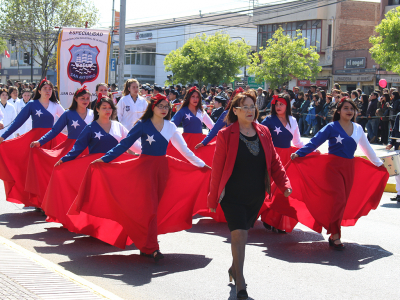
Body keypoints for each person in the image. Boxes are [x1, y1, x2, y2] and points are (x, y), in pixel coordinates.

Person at [69, 94, 211, 261]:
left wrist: (202, 165)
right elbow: (124, 144)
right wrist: (105, 159)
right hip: (144, 170)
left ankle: (146, 244)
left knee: (155, 209)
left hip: (163, 171)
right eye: (161, 106)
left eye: (166, 106)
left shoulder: (170, 126)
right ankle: (151, 247)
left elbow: (185, 151)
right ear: (153, 107)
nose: (164, 109)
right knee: (149, 208)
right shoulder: (143, 125)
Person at [269, 99, 388, 250]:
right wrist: (300, 153)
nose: (349, 111)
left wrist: (380, 165)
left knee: (342, 202)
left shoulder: (358, 128)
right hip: (332, 170)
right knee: (339, 199)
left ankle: (333, 232)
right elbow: (314, 142)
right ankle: (335, 235)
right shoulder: (331, 127)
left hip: (349, 170)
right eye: (345, 108)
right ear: (339, 111)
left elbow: (368, 149)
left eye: (352, 108)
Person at [208, 91, 291, 299]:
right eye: (244, 107)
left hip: (255, 194)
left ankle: (234, 267)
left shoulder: (264, 132)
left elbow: (274, 162)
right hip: (232, 194)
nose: (249, 110)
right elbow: (217, 170)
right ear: (235, 111)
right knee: (239, 234)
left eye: (252, 106)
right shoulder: (225, 134)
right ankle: (241, 281)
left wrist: (284, 184)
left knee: (242, 234)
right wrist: (212, 199)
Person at [41, 95, 141, 248]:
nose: (107, 110)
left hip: (115, 169)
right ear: (97, 109)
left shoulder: (118, 126)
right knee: (99, 200)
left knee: (118, 199)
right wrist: (65, 160)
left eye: (110, 108)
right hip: (97, 169)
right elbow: (78, 148)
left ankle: (117, 230)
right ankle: (98, 229)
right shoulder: (90, 127)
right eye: (104, 108)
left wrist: (148, 152)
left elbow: (132, 144)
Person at [0, 78, 65, 206]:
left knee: (50, 171)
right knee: (36, 172)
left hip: (51, 140)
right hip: (35, 142)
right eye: (45, 89)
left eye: (50, 89)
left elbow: (67, 120)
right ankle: (39, 201)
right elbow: (18, 121)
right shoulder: (32, 104)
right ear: (39, 90)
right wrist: (4, 136)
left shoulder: (56, 105)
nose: (48, 91)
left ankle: (47, 200)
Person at [25, 86, 94, 206]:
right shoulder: (68, 113)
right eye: (82, 98)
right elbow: (55, 130)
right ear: (76, 99)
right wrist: (40, 142)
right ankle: (61, 204)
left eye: (88, 98)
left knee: (86, 178)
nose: (85, 100)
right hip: (71, 149)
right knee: (67, 176)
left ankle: (84, 205)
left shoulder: (94, 114)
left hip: (89, 150)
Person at [260, 94, 306, 233]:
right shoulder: (268, 120)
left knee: (283, 191)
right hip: (271, 159)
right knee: (269, 189)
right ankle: (267, 217)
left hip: (287, 159)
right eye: (276, 104)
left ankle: (280, 221)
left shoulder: (293, 120)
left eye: (282, 104)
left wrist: (312, 149)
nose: (278, 107)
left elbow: (297, 142)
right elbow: (257, 136)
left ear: (287, 106)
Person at [168, 86, 214, 164]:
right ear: (188, 98)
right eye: (193, 96)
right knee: (186, 164)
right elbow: (171, 125)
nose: (195, 99)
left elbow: (212, 126)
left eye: (197, 97)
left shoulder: (201, 111)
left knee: (201, 165)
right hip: (186, 142)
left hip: (200, 143)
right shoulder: (183, 111)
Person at [386, 111, 400, 202]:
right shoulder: (399, 115)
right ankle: (399, 194)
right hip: (398, 146)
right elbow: (395, 130)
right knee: (398, 173)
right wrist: (391, 143)